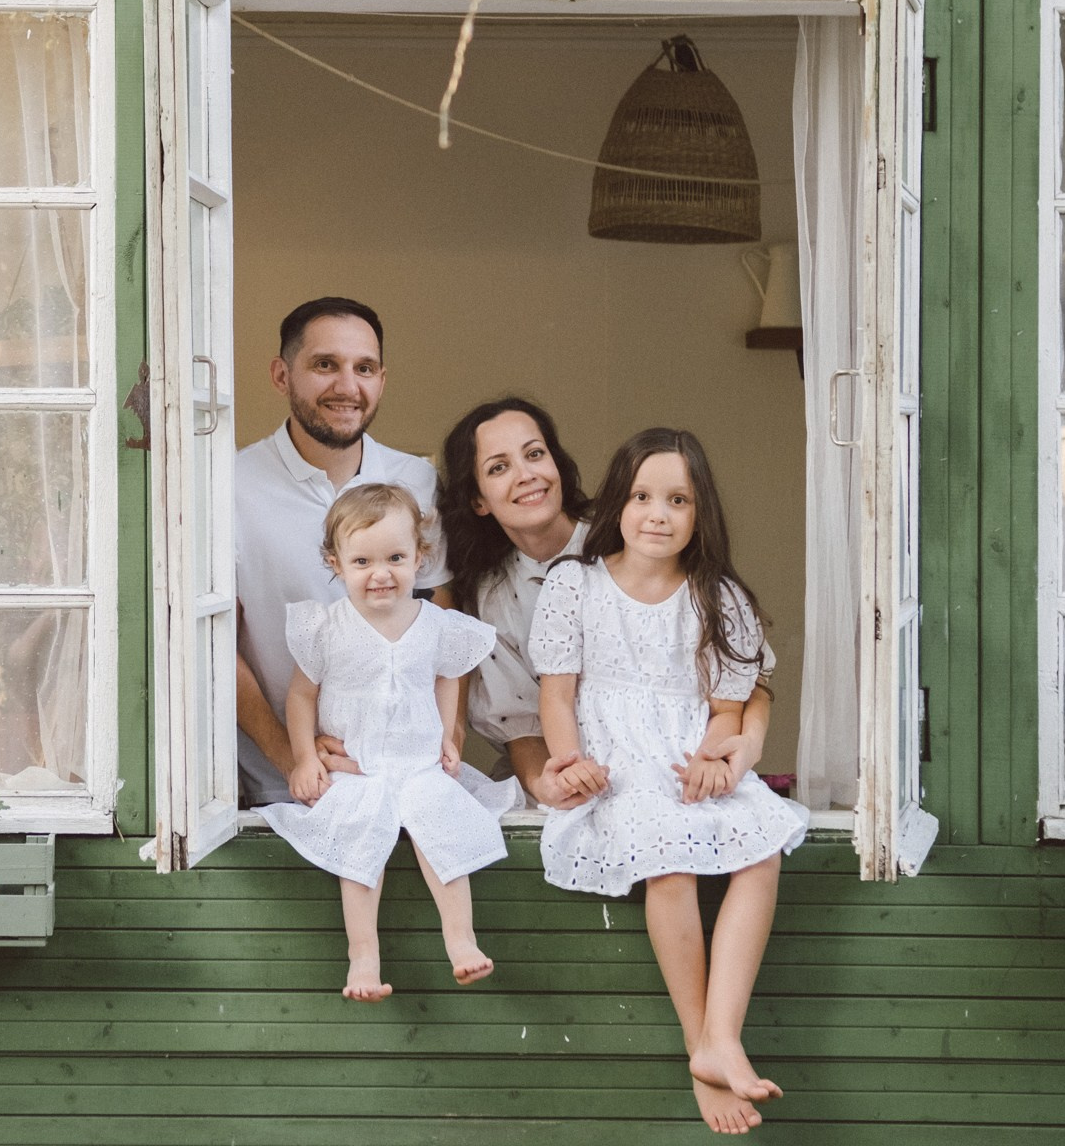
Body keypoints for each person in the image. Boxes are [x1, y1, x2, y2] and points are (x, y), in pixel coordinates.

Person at [529, 429, 809, 1136]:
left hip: (685, 759)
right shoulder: (575, 584)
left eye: (678, 500)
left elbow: (726, 709)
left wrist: (720, 757)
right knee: (669, 862)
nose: (658, 513)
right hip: (616, 769)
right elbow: (558, 695)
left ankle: (725, 1034)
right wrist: (570, 761)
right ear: (616, 506)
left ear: (699, 512)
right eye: (642, 496)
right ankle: (701, 1045)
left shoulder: (717, 596)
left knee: (762, 846)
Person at [440, 398, 777, 806]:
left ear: (557, 464)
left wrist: (748, 745)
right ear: (478, 499)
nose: (526, 475)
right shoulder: (491, 598)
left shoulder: (634, 533)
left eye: (534, 454)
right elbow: (520, 723)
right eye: (499, 467)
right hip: (573, 783)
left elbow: (745, 672)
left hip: (681, 777)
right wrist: (547, 783)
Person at [262, 484, 506, 1000]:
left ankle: (461, 940)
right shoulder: (327, 628)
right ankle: (363, 959)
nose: (381, 573)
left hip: (417, 763)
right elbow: (301, 697)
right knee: (359, 842)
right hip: (357, 767)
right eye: (363, 560)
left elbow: (447, 678)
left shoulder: (436, 624)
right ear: (336, 563)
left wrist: (447, 737)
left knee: (441, 830)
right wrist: (305, 757)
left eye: (396, 557)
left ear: (421, 556)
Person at [235, 297, 446, 807]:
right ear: (282, 375)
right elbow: (215, 645)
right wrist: (293, 757)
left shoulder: (416, 480)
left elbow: (441, 617)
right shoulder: (229, 484)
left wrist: (448, 742)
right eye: (325, 365)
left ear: (381, 379)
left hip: (406, 777)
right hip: (281, 788)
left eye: (365, 368)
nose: (348, 387)